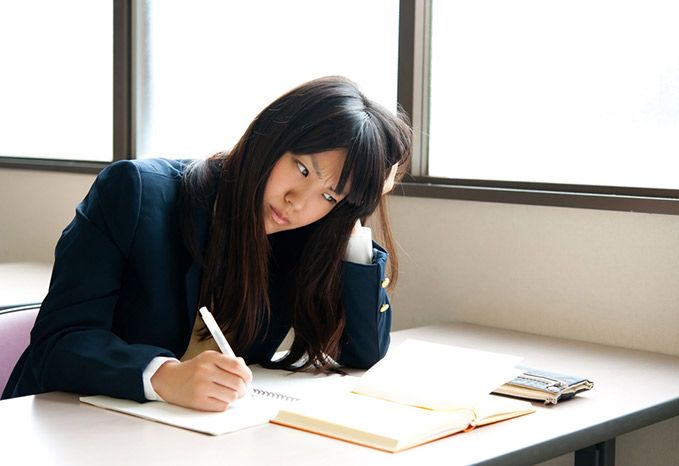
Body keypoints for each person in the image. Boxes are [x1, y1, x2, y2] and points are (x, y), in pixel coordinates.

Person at [2, 76, 412, 412]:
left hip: (187, 438)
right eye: (303, 169)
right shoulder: (135, 192)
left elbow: (364, 353)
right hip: (64, 424)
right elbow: (60, 341)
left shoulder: (303, 233)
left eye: (330, 195)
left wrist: (352, 222)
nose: (299, 202)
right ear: (269, 137)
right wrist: (162, 376)